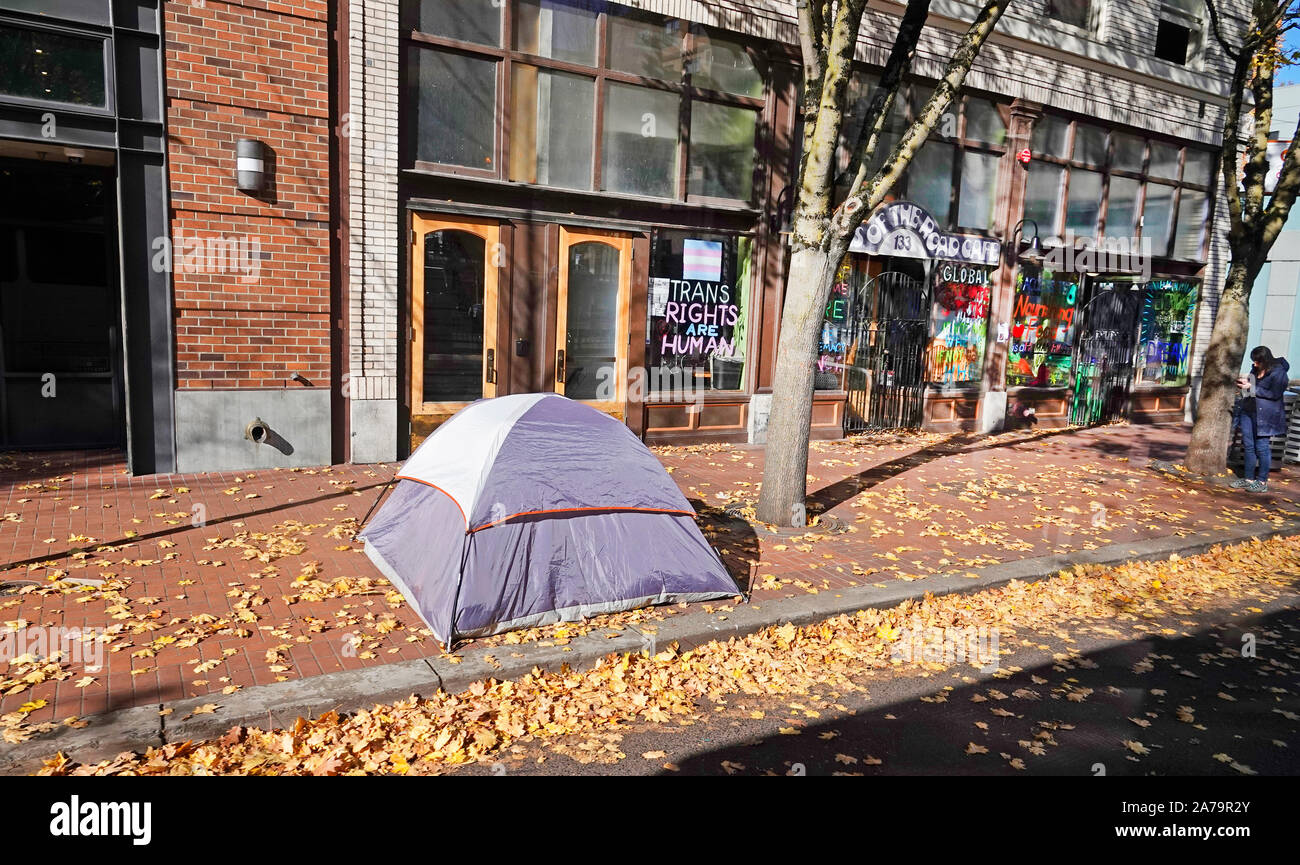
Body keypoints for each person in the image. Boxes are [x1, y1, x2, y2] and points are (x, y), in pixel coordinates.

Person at [1232, 346, 1291, 492]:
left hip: (1265, 415)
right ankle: (1248, 478)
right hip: (1248, 410)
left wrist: (1252, 387)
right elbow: (1250, 389)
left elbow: (1275, 394)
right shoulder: (1255, 369)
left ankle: (1262, 481)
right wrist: (1244, 386)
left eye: (1258, 362)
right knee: (1249, 446)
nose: (1255, 364)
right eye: (1254, 362)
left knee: (1262, 447)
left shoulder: (1279, 372)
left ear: (1265, 360)